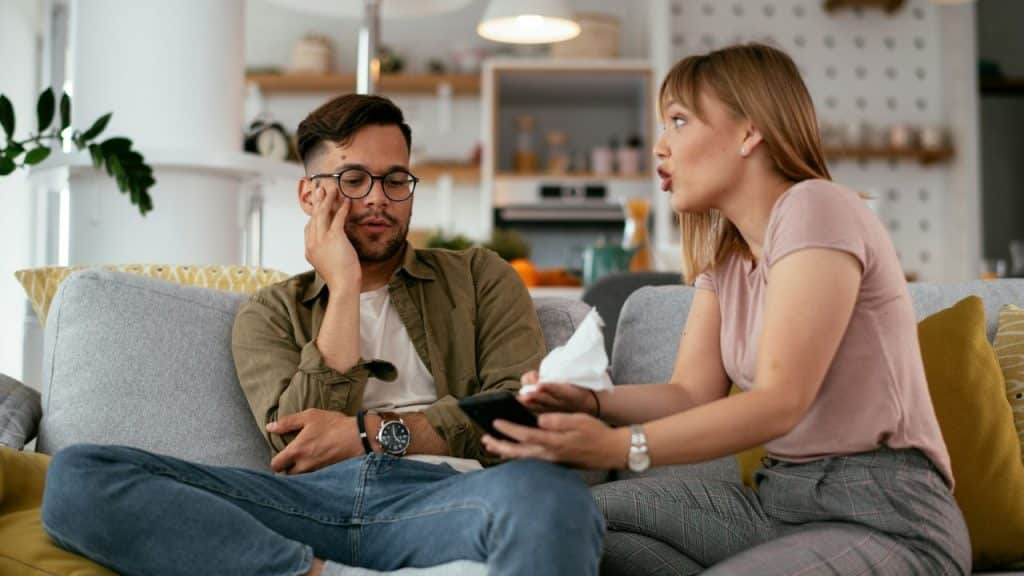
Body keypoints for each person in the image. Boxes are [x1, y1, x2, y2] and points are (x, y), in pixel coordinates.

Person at [41, 94, 604, 576]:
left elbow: (510, 421)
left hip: (445, 500)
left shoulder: (480, 277)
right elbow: (296, 451)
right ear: (311, 196)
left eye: (396, 179)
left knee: (553, 498)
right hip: (304, 506)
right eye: (353, 180)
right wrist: (344, 285)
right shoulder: (270, 313)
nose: (379, 198)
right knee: (79, 477)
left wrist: (370, 434)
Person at [483, 43, 971, 576]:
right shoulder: (727, 261)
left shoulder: (817, 207)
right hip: (775, 504)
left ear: (749, 131)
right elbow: (690, 393)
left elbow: (780, 401)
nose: (660, 148)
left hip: (885, 516)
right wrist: (592, 402)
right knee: (560, 519)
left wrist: (617, 447)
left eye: (678, 121)